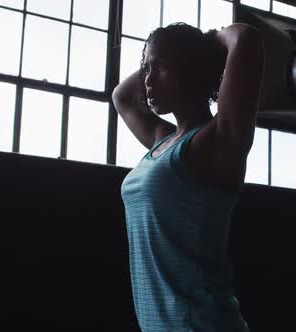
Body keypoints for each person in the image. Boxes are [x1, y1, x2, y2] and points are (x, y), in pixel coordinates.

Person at [113, 21, 264, 331]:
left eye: (162, 67)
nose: (148, 80)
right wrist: (157, 54)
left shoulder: (216, 141)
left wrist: (211, 42)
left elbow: (246, 39)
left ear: (192, 70)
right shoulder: (161, 139)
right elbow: (122, 97)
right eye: (146, 69)